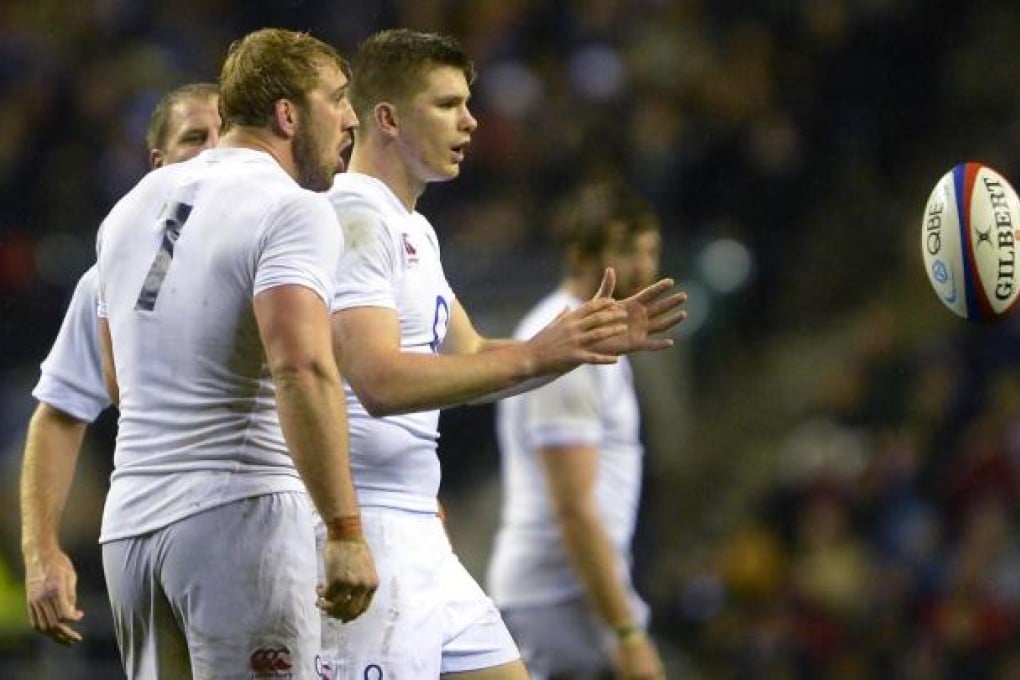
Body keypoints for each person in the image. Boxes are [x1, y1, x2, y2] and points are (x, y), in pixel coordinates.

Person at [317, 28, 685, 679]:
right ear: (388, 119)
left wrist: (573, 347)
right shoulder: (353, 220)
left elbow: (475, 353)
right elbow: (378, 381)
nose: (471, 121)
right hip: (366, 526)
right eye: (447, 104)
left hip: (418, 526)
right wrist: (540, 352)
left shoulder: (413, 229)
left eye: (467, 103)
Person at [93, 28, 377, 678]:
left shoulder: (126, 212)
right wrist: (344, 530)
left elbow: (117, 380)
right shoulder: (291, 209)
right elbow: (300, 366)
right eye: (337, 98)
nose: (351, 118)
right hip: (237, 517)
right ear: (287, 114)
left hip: (130, 529)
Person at [21, 81, 221, 648]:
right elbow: (58, 413)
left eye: (224, 137)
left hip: (277, 525)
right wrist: (41, 551)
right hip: (153, 533)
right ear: (157, 164)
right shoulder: (112, 271)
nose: (212, 153)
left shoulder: (286, 249)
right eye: (194, 138)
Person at [487, 180, 668, 679]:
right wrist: (626, 631)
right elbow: (573, 507)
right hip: (558, 596)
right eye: (627, 251)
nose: (644, 267)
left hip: (574, 591)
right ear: (581, 257)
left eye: (650, 250)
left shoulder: (594, 335)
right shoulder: (567, 342)